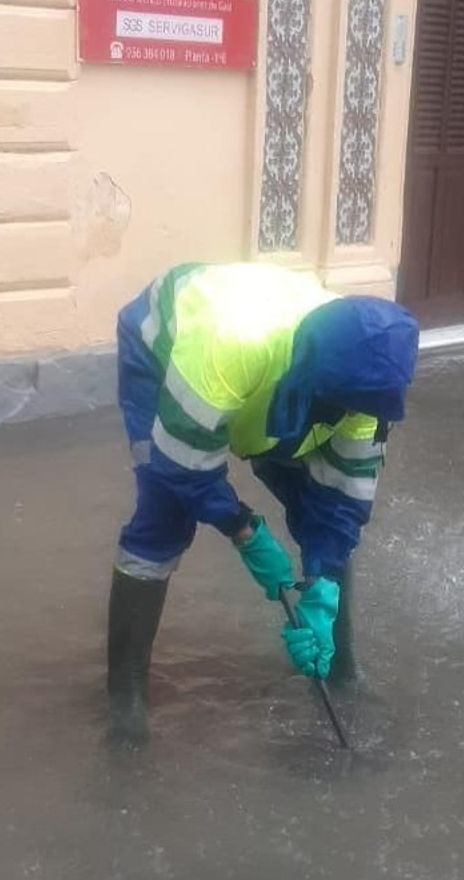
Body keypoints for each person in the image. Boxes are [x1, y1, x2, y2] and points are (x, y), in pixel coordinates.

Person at [105, 262, 420, 741]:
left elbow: (342, 499)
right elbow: (182, 461)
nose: (349, 416)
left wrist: (323, 584)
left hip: (276, 383)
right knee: (164, 513)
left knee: (320, 512)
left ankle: (339, 667)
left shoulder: (367, 384)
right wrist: (243, 529)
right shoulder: (230, 342)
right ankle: (125, 694)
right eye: (339, 405)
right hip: (166, 350)